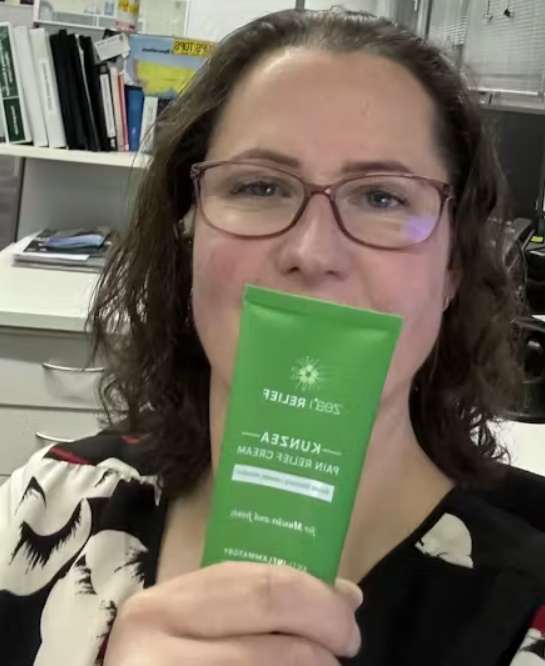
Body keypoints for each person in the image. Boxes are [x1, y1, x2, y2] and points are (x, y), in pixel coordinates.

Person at [1, 7, 544, 665]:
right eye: (259, 186)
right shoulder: (44, 508)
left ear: (452, 266)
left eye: (382, 196)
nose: (312, 252)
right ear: (188, 235)